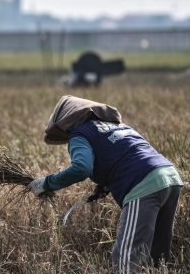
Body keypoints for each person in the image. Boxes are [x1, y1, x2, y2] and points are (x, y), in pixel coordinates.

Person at [27, 95, 183, 273]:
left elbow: (81, 168)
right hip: (169, 176)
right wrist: (104, 184)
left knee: (126, 259)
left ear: (67, 123)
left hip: (143, 184)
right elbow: (126, 155)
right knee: (158, 257)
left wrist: (46, 183)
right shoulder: (117, 126)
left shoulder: (80, 133)